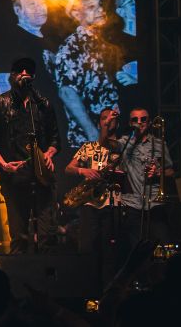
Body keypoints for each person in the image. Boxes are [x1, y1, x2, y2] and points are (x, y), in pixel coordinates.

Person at [0, 57, 60, 253]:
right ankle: (19, 280)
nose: (22, 75)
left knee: (48, 236)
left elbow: (55, 138)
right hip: (15, 177)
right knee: (19, 237)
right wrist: (4, 164)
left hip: (42, 177)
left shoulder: (43, 104)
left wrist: (49, 154)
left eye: (27, 72)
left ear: (32, 77)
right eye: (18, 72)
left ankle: (48, 279)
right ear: (12, 76)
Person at [49, 0, 120, 147]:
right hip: (87, 142)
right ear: (76, 14)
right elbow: (67, 92)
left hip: (108, 138)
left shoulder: (102, 44)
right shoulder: (72, 46)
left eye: (100, 5)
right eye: (91, 7)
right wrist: (92, 134)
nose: (101, 10)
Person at [65, 108, 122, 278]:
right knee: (88, 248)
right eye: (104, 119)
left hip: (113, 204)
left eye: (111, 119)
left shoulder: (122, 146)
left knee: (110, 252)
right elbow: (68, 168)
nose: (108, 121)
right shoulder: (88, 147)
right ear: (99, 123)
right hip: (90, 203)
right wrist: (83, 171)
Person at [115, 107, 173, 245]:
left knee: (163, 244)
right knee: (135, 247)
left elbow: (171, 171)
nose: (139, 122)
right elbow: (105, 142)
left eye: (143, 119)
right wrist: (109, 121)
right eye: (135, 120)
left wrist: (158, 173)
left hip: (155, 201)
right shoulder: (124, 143)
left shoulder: (159, 144)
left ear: (150, 122)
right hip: (132, 203)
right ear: (130, 123)